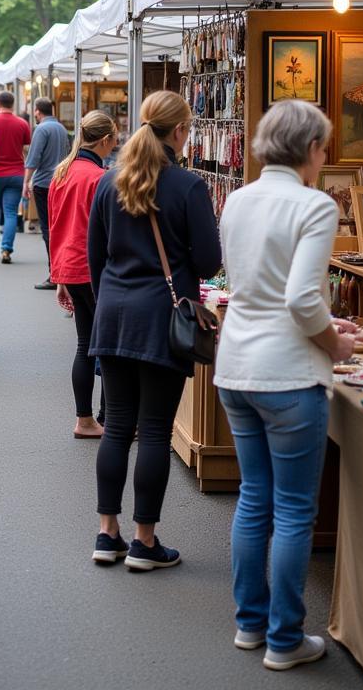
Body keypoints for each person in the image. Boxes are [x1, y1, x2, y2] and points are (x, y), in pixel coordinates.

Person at [215, 100, 362, 671]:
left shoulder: (238, 199)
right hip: (289, 375)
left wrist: (327, 321)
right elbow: (300, 299)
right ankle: (284, 639)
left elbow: (256, 284)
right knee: (295, 510)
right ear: (308, 149)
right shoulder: (314, 205)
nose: (325, 157)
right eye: (324, 147)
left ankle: (250, 626)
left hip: (237, 367)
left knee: (254, 499)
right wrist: (337, 343)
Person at [88, 91, 221, 570]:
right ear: (181, 131)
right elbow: (208, 261)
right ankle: (144, 541)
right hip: (162, 319)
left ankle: (107, 534)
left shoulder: (109, 182)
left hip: (114, 314)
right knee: (155, 431)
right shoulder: (187, 186)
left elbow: (95, 257)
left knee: (117, 427)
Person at [49, 111, 118, 439]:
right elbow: (109, 230)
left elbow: (55, 226)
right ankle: (107, 419)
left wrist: (59, 275)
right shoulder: (99, 177)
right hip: (95, 268)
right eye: (115, 139)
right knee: (108, 347)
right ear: (105, 140)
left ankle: (85, 419)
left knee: (84, 343)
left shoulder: (62, 172)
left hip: (70, 266)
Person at [24, 98, 71, 290]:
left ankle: (55, 274)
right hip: (61, 180)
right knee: (59, 227)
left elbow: (33, 158)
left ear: (37, 111)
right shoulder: (60, 128)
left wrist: (26, 181)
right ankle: (61, 271)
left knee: (48, 229)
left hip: (44, 183)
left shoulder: (42, 130)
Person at [0, 90, 30, 263]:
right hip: (16, 173)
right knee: (11, 212)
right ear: (13, 104)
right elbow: (26, 148)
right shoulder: (22, 123)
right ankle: (6, 249)